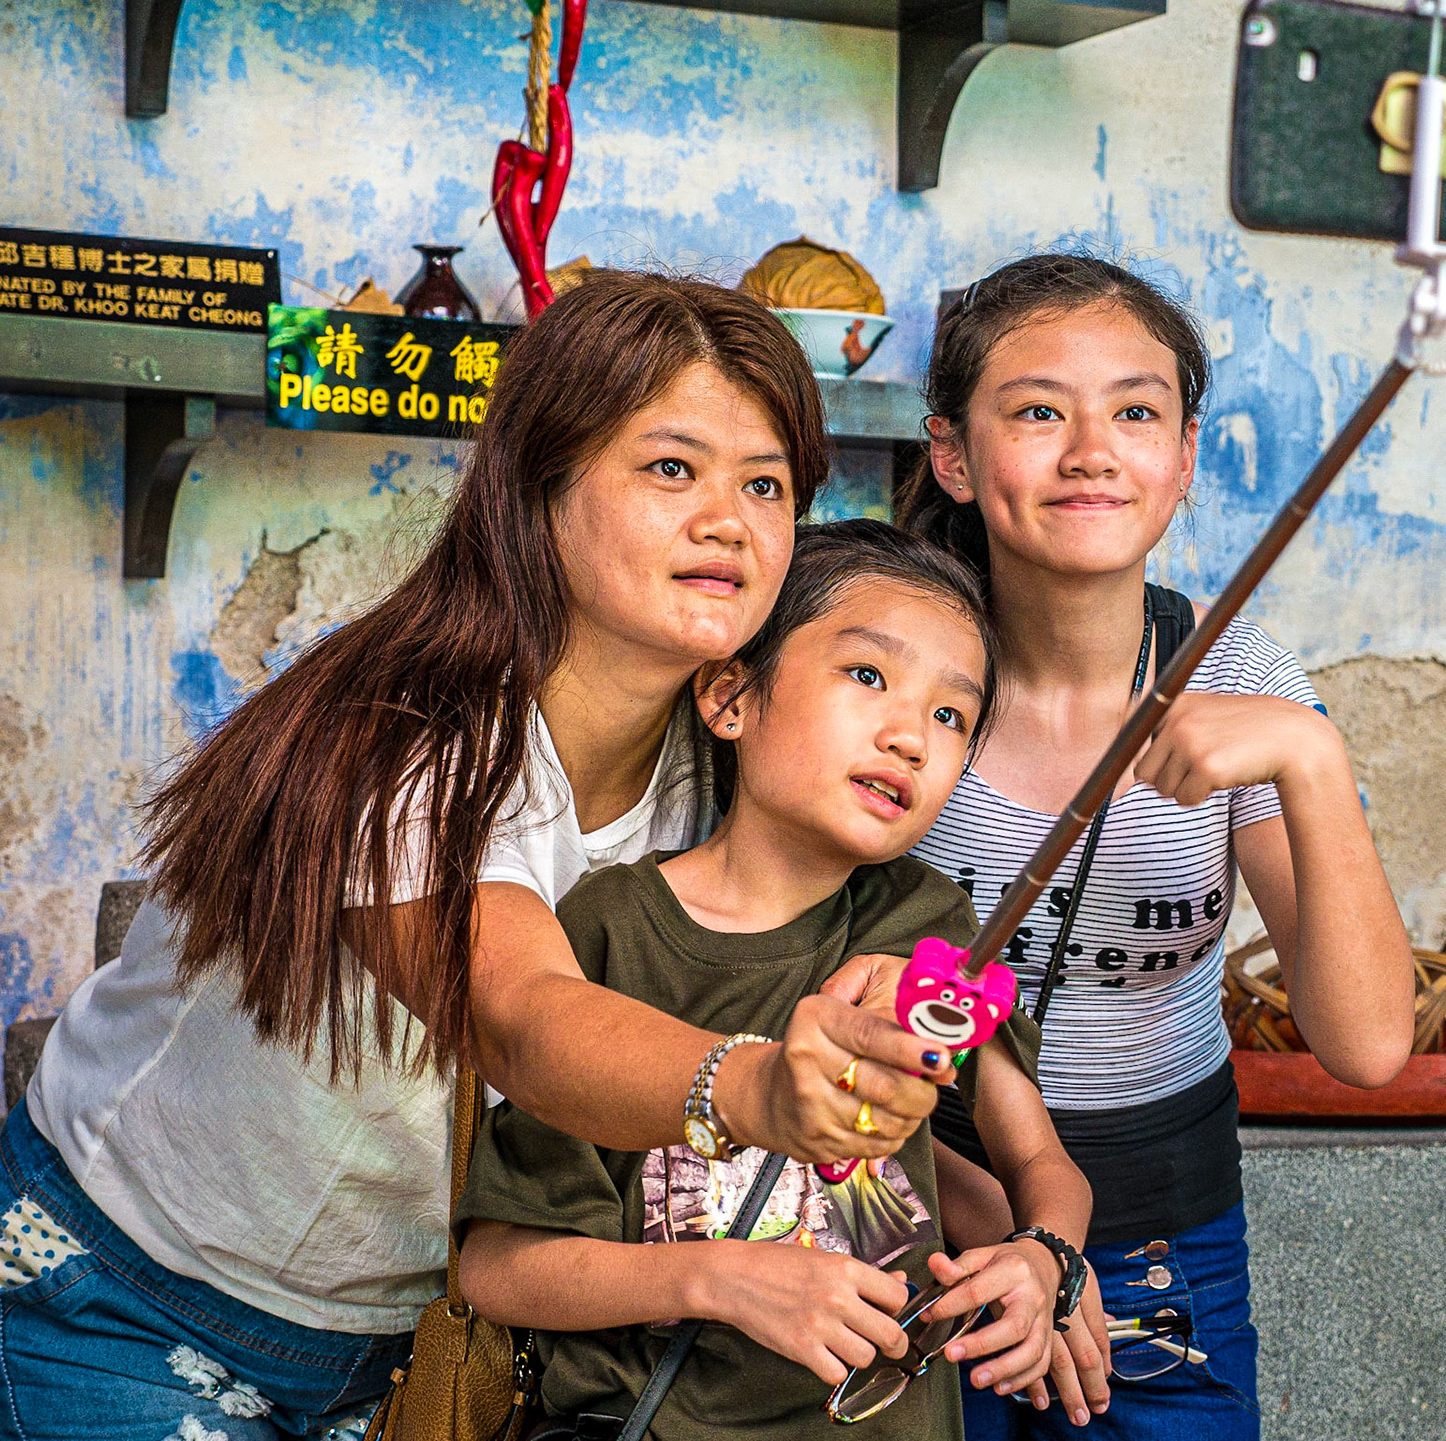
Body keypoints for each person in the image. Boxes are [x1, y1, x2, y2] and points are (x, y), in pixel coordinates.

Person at [0, 275, 959, 1439]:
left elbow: (932, 942)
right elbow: (522, 1015)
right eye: (671, 469)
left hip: (413, 1352)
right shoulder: (402, 735)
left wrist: (1026, 1227)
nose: (729, 520)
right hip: (129, 1298)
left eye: (765, 484)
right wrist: (757, 1085)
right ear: (539, 486)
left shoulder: (731, 767)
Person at [898, 254, 1416, 1440]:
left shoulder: (1242, 681)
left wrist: (1309, 757)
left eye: (1136, 412)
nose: (1092, 451)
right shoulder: (889, 671)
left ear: (1183, 459)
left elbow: (1370, 1043)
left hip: (1165, 1263)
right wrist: (1010, 1235)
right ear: (954, 457)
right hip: (923, 1229)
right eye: (1038, 411)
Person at [457, 520, 1098, 1438]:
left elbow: (1040, 1164)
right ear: (732, 698)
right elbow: (499, 1264)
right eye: (869, 675)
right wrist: (719, 1280)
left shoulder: (931, 929)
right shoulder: (609, 929)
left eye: (951, 714)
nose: (911, 736)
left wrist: (1045, 1259)